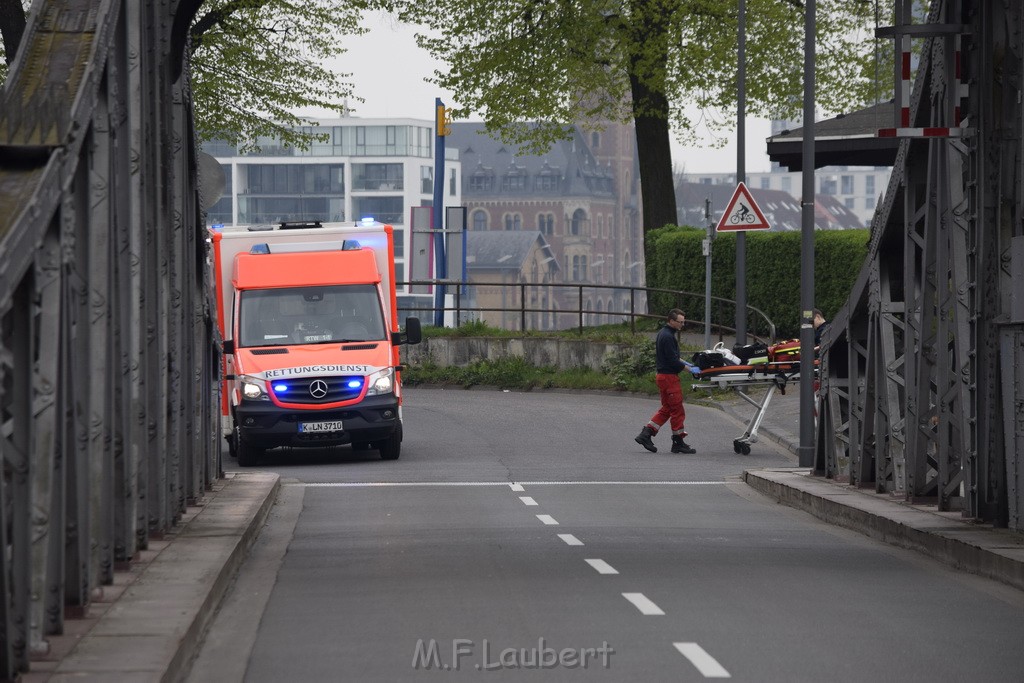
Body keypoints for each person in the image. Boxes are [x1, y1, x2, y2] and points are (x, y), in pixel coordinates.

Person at [634, 309, 700, 454]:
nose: (682, 324)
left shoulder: (664, 334)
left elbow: (674, 357)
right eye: (680, 322)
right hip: (669, 377)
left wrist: (688, 364)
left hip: (663, 377)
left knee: (667, 409)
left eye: (683, 322)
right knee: (677, 410)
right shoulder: (668, 337)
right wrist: (690, 370)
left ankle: (646, 434)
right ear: (671, 320)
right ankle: (678, 442)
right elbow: (672, 361)